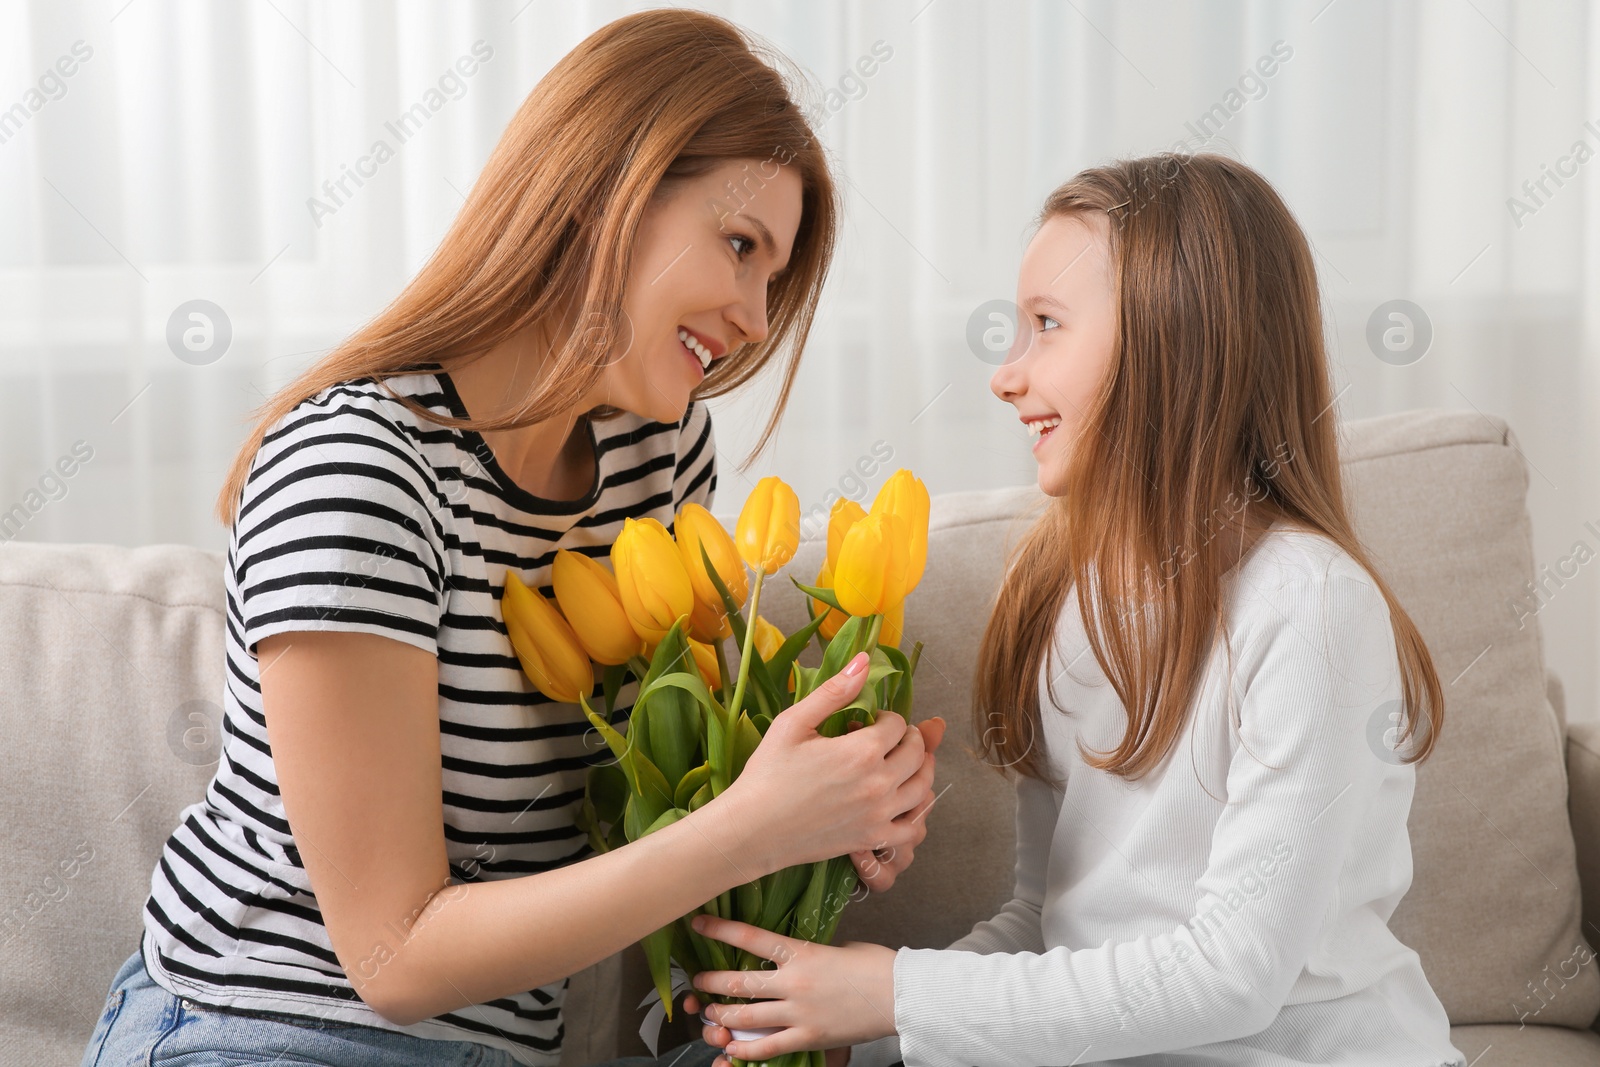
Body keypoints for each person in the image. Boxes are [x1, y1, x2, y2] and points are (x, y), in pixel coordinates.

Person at [80, 10, 944, 1067]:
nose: (758, 318)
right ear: (601, 196)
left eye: (775, 278)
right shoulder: (362, 462)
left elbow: (668, 815)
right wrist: (750, 827)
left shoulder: (656, 456)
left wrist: (830, 829)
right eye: (738, 246)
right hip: (268, 1029)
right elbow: (392, 956)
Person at [684, 152, 1468, 1067]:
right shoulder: (1061, 598)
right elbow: (1048, 925)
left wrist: (896, 991)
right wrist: (857, 1030)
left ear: (1174, 342)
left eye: (1046, 326)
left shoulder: (1310, 603)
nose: (1005, 376)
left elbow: (1236, 973)